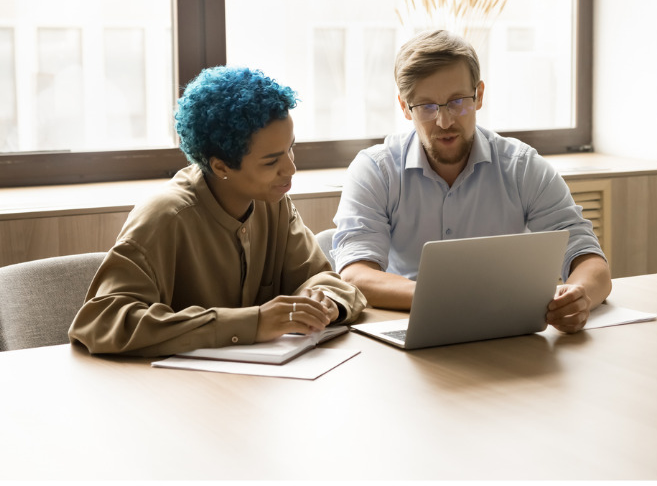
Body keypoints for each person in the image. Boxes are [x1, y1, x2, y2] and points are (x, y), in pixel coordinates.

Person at [69, 66, 366, 356]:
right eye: (271, 161)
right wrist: (254, 323)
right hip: (172, 394)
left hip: (261, 388)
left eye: (291, 148)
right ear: (220, 166)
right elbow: (100, 321)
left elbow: (325, 280)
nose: (291, 168)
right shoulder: (165, 216)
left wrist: (322, 303)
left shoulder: (272, 202)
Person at [332, 29, 611, 333]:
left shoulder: (522, 167)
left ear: (479, 95)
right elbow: (355, 274)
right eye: (426, 107)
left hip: (503, 334)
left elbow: (590, 261)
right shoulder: (376, 170)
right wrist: (450, 300)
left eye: (457, 102)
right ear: (403, 107)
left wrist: (579, 295)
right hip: (408, 329)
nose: (445, 121)